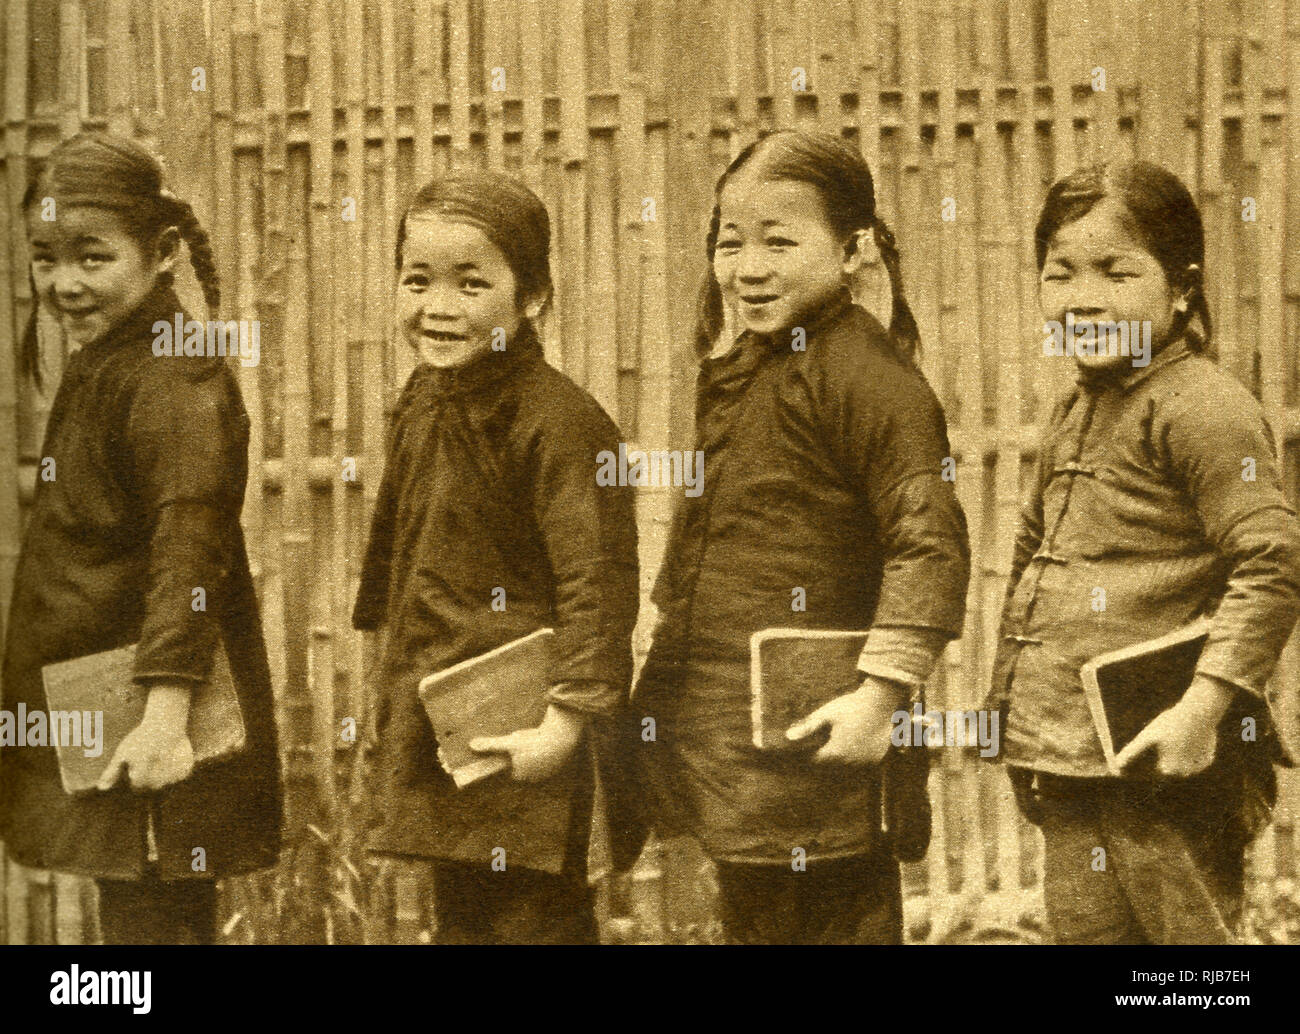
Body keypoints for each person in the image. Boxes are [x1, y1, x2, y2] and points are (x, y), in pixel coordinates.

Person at [634, 129, 970, 944]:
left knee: (838, 917)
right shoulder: (744, 369)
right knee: (756, 914)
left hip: (829, 734)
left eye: (778, 242)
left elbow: (930, 544)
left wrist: (880, 697)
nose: (747, 267)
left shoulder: (871, 380)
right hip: (738, 736)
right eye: (730, 242)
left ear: (853, 250)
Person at [991, 160, 1300, 944]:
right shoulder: (1074, 406)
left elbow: (1271, 562)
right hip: (1069, 758)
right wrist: (1011, 712)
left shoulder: (1206, 409)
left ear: (1183, 288)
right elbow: (1035, 556)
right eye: (1060, 273)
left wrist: (1202, 710)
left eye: (1115, 271)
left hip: (1167, 760)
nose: (1082, 295)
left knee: (1185, 973)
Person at [0, 132, 283, 944]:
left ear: (161, 253)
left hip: (158, 725)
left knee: (155, 932)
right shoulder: (111, 358)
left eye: (93, 257)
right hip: (99, 706)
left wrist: (165, 716)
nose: (64, 283)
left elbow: (191, 546)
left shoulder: (176, 373)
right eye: (45, 258)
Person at [351, 171, 640, 944]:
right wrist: (386, 690)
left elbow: (598, 585)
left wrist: (563, 724)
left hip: (533, 738)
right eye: (418, 280)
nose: (438, 306)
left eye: (471, 284)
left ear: (533, 298)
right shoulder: (420, 401)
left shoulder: (561, 425)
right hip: (447, 720)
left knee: (534, 925)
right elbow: (392, 557)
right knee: (465, 922)